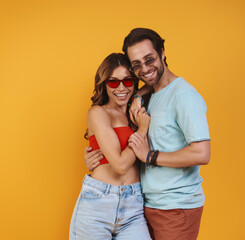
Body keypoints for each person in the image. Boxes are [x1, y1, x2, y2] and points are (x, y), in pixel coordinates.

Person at [85, 28, 211, 240]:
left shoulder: (184, 96)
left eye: (149, 59)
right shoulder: (149, 94)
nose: (144, 69)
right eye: (136, 64)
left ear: (162, 53)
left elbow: (201, 153)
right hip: (144, 206)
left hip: (176, 207)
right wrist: (97, 157)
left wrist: (150, 156)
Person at [69, 53, 151, 240]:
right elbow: (121, 166)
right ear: (104, 84)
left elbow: (157, 81)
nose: (121, 88)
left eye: (128, 81)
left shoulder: (136, 111)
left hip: (133, 206)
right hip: (97, 204)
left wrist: (138, 96)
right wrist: (141, 130)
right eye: (113, 82)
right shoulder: (98, 113)